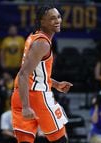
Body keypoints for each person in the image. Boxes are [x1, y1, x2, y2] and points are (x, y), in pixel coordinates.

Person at [11, 6, 73, 143]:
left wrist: (55, 84)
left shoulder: (32, 37)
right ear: (42, 22)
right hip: (37, 97)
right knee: (61, 139)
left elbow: (33, 73)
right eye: (52, 18)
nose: (57, 21)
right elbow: (23, 74)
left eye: (58, 17)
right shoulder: (42, 43)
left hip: (19, 94)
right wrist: (27, 106)